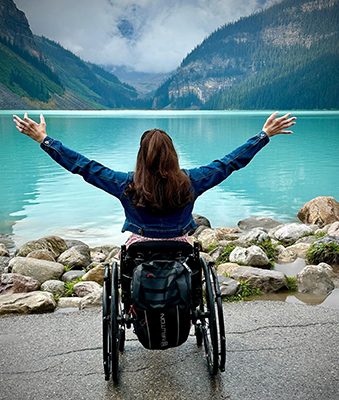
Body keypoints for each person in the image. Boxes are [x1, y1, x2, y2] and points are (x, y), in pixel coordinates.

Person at [13, 112, 296, 247]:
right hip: (180, 249)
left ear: (140, 157)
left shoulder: (125, 184)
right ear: (173, 154)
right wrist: (263, 136)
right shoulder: (192, 181)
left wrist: (44, 139)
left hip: (140, 250)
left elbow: (84, 166)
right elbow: (230, 162)